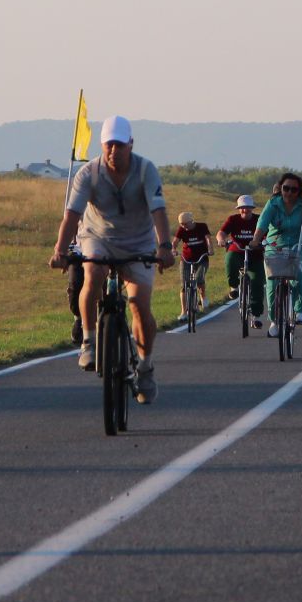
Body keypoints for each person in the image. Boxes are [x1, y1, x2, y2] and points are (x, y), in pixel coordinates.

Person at [49, 116, 176, 405]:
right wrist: (59, 251)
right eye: (109, 145)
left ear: (131, 144)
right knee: (92, 275)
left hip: (138, 240)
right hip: (98, 237)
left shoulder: (146, 171)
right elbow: (72, 215)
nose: (113, 151)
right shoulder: (88, 173)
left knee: (140, 305)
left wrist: (165, 247)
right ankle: (89, 341)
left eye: (120, 145)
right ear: (102, 145)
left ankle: (144, 366)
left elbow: (158, 212)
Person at [253, 172, 302, 336]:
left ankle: (300, 310)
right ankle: (274, 320)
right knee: (272, 283)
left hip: (298, 246)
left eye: (293, 190)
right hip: (275, 247)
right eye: (285, 188)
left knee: (299, 272)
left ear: (298, 191)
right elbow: (263, 222)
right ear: (280, 188)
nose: (289, 192)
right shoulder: (273, 203)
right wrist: (255, 240)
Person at [217, 195, 264, 318]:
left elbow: (267, 233)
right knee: (230, 260)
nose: (245, 210)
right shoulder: (233, 219)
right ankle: (234, 286)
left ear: (252, 208)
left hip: (256, 254)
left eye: (247, 208)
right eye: (242, 208)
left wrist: (265, 242)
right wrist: (221, 240)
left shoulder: (259, 220)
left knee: (258, 282)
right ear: (238, 209)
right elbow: (221, 233)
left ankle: (256, 315)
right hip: (237, 250)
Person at [174, 211, 214, 313]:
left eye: (185, 224)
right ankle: (183, 312)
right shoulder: (182, 230)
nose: (184, 226)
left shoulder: (202, 227)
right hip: (186, 259)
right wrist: (173, 249)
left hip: (202, 258)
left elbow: (208, 239)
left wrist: (210, 249)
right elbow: (175, 241)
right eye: (181, 224)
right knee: (184, 284)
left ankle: (203, 298)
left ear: (192, 221)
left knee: (199, 278)